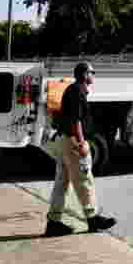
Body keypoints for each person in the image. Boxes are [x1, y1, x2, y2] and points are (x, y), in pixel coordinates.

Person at [44, 61, 117, 236]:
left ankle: (53, 222)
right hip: (72, 142)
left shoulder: (73, 90)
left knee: (61, 183)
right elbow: (75, 121)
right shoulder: (76, 92)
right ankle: (93, 219)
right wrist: (82, 144)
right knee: (85, 179)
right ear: (85, 75)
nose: (93, 75)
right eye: (92, 72)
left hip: (64, 140)